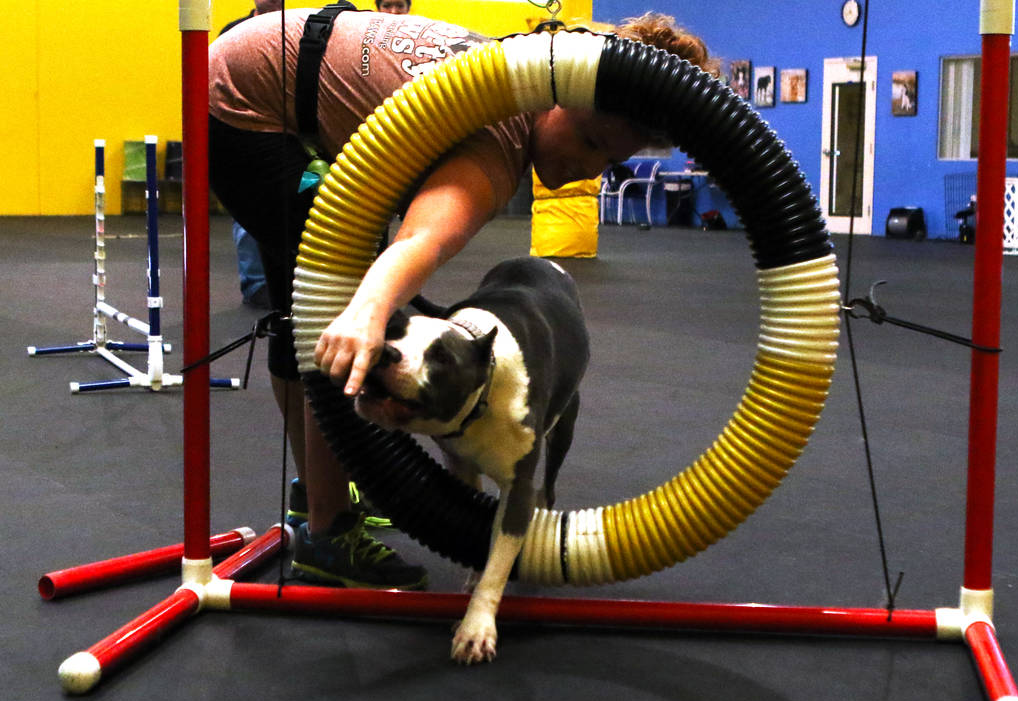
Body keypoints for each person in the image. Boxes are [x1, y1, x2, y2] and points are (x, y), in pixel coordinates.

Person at [209, 9, 717, 589]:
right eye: (589, 140)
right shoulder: (499, 138)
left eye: (610, 161)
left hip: (259, 68)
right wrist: (366, 311)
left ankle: (314, 499)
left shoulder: (512, 78)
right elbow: (422, 240)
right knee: (332, 300)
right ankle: (327, 531)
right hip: (246, 105)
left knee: (304, 308)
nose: (589, 168)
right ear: (560, 95)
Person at [218, 0, 285, 309]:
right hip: (242, 130)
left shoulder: (295, 27)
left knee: (290, 210)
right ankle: (256, 284)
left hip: (286, 132)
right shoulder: (232, 32)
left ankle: (288, 282)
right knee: (247, 213)